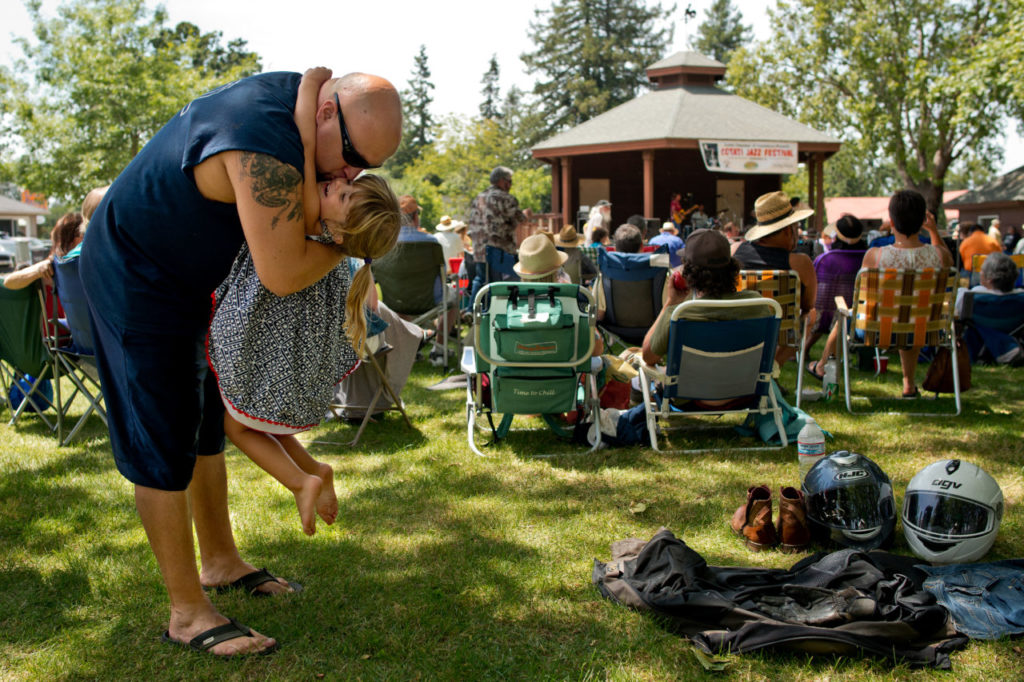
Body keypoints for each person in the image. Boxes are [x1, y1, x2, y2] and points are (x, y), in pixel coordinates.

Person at [79, 67, 402, 657]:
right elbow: (281, 273)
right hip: (136, 272)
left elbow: (308, 134)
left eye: (363, 172)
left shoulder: (304, 117)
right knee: (162, 436)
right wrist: (340, 244)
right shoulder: (263, 143)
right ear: (330, 113)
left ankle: (221, 561)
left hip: (189, 280)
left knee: (203, 423)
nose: (349, 175)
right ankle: (185, 613)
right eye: (352, 158)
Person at [210, 69, 400, 540]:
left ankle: (300, 481)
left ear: (341, 231)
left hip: (261, 334)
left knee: (237, 426)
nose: (336, 181)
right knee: (258, 419)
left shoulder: (312, 216)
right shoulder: (334, 245)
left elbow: (304, 143)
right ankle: (314, 468)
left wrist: (307, 92)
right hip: (285, 346)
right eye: (345, 183)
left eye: (344, 194)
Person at [808, 189, 953, 397]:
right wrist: (933, 231)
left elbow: (863, 300)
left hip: (875, 332)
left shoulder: (875, 256)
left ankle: (821, 366)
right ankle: (909, 386)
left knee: (846, 314)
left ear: (891, 222)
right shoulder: (939, 256)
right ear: (923, 220)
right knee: (911, 314)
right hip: (927, 331)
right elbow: (946, 257)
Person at [642, 229, 765, 406]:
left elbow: (648, 356)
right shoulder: (758, 305)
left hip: (688, 396)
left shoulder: (678, 314)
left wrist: (670, 303)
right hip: (745, 393)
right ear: (731, 267)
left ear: (688, 273)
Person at [734, 191, 817, 364]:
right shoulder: (799, 263)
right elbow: (808, 305)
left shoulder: (734, 252)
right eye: (796, 226)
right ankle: (771, 372)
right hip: (779, 330)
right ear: (788, 230)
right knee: (812, 315)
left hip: (738, 328)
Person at [467, 166, 532, 299]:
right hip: (499, 249)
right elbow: (520, 218)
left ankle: (473, 310)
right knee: (499, 286)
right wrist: (526, 214)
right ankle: (494, 312)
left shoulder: (479, 197)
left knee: (480, 280)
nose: (510, 185)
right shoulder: (505, 198)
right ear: (502, 181)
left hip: (479, 248)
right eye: (510, 181)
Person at [1, 211, 84, 290]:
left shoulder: (85, 263)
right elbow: (9, 282)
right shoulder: (50, 266)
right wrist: (38, 270)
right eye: (81, 235)